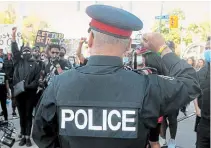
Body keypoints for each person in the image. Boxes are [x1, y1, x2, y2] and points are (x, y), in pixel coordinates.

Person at [32, 5, 201, 148]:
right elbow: (191, 83)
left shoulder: (59, 84)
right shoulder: (148, 87)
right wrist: (163, 48)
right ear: (128, 45)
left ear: (90, 39)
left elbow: (41, 135)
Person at [11, 27, 40, 147]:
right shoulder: (18, 61)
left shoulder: (36, 65)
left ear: (31, 52)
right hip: (18, 94)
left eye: (28, 50)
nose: (26, 52)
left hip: (29, 94)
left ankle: (28, 137)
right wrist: (13, 36)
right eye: (24, 50)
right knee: (21, 115)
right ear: (22, 52)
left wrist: (27, 86)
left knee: (28, 115)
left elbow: (37, 80)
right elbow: (14, 50)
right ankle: (22, 136)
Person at [196, 40, 210, 148]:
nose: (208, 50)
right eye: (206, 48)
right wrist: (197, 108)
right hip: (204, 121)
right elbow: (195, 91)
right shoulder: (201, 71)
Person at [2, 52, 17, 118]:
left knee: (7, 96)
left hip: (6, 79)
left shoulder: (4, 60)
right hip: (10, 80)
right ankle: (13, 111)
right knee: (12, 96)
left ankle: (9, 110)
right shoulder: (12, 61)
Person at [0, 58, 10, 122]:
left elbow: (7, 84)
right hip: (3, 92)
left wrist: (8, 93)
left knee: (4, 106)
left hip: (3, 92)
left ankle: (6, 119)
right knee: (3, 106)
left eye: (0, 63)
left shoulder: (5, 73)